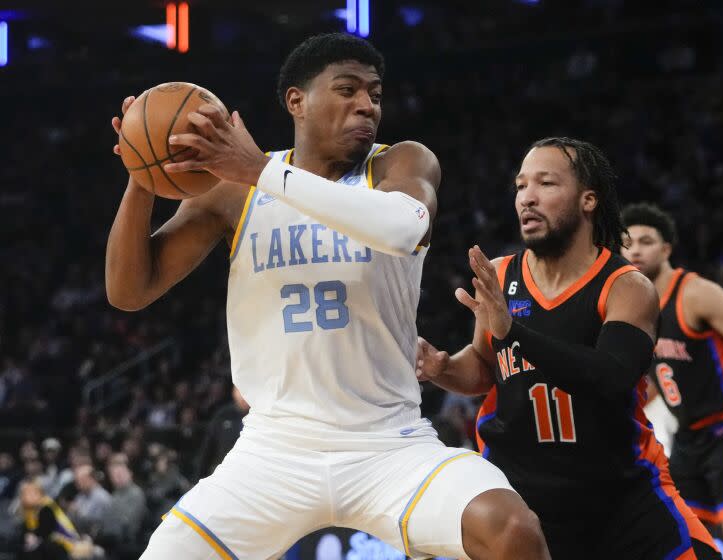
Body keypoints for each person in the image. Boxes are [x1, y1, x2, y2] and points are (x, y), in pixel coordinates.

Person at [107, 33, 548, 559]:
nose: (367, 105)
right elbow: (129, 291)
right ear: (297, 101)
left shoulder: (401, 164)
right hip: (273, 452)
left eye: (375, 94)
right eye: (347, 90)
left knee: (511, 530)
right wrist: (143, 173)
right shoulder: (233, 190)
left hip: (389, 445)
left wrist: (260, 171)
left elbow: (403, 227)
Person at [416, 137, 720, 559]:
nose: (528, 198)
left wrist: (512, 331)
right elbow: (486, 369)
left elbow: (610, 376)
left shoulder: (626, 287)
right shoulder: (501, 275)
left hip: (620, 497)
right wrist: (441, 367)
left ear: (588, 200)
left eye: (546, 184)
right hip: (523, 500)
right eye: (521, 186)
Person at [621, 202, 723, 560]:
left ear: (666, 250)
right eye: (628, 242)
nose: (635, 250)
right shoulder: (634, 305)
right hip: (688, 438)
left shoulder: (694, 293)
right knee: (684, 544)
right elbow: (662, 372)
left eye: (646, 241)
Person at [16, 477, 80, 559]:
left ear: (39, 494)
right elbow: (28, 529)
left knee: (36, 549)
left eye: (31, 493)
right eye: (24, 494)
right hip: (49, 542)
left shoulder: (46, 507)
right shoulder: (30, 510)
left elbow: (46, 530)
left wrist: (33, 537)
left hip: (67, 543)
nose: (25, 497)